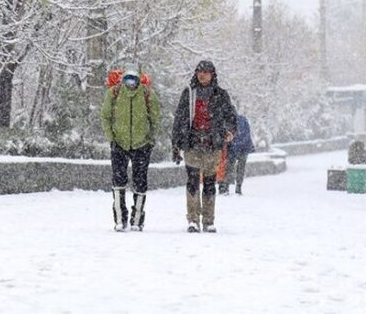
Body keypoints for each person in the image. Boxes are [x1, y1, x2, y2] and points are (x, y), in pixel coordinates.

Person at [171, 59, 237, 233]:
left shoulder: (221, 95)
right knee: (192, 182)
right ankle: (192, 219)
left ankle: (209, 220)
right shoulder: (189, 93)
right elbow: (179, 119)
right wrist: (176, 144)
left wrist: (229, 131)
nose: (202, 75)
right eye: (200, 72)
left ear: (212, 74)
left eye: (206, 72)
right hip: (192, 144)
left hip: (212, 145)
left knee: (209, 183)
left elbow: (231, 116)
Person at [101, 69, 161, 232]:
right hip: (119, 144)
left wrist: (150, 140)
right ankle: (120, 219)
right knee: (118, 182)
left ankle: (137, 219)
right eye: (127, 80)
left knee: (140, 182)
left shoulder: (148, 95)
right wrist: (111, 138)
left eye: (133, 80)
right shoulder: (113, 94)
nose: (130, 83)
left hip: (142, 144)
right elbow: (105, 116)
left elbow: (155, 119)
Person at [219, 112, 255, 195]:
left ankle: (226, 187)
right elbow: (248, 134)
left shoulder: (229, 121)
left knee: (229, 167)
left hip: (233, 148)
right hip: (244, 148)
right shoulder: (243, 119)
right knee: (241, 168)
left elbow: (228, 136)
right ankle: (238, 188)